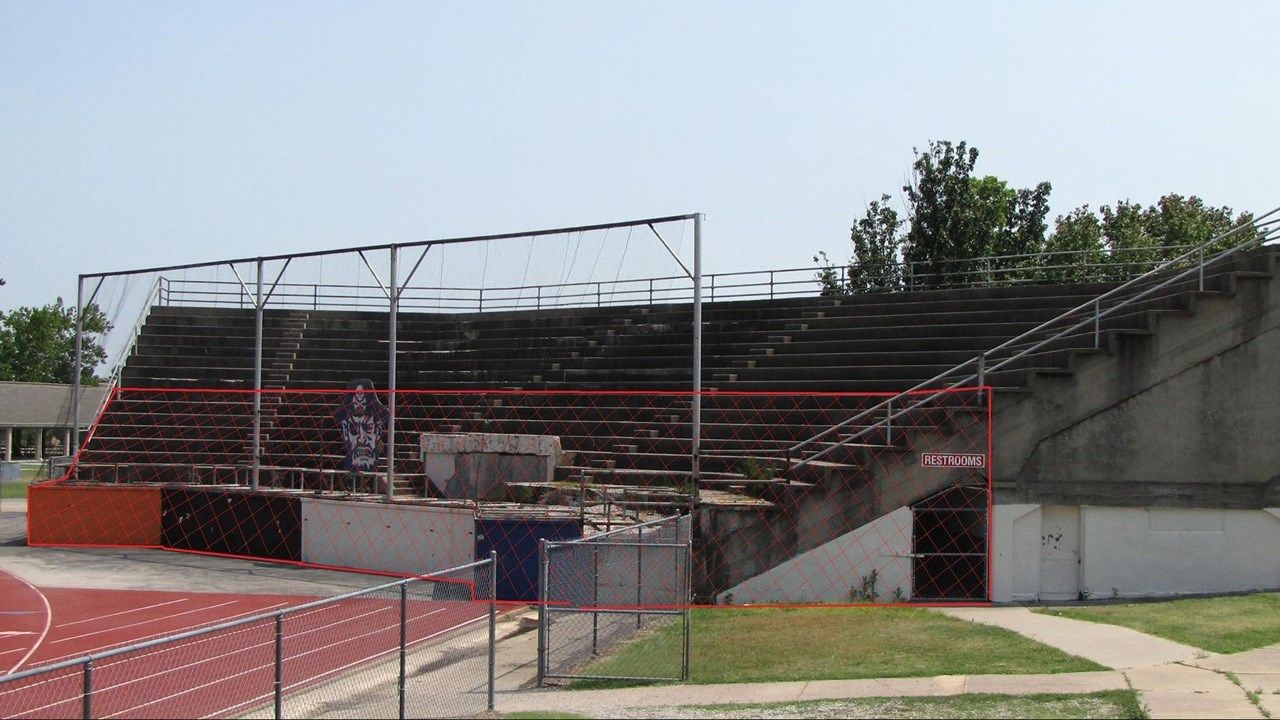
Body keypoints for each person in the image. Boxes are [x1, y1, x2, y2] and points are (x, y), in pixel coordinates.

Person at [333, 378, 389, 492]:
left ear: (377, 431)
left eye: (367, 428)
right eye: (354, 429)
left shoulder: (375, 419)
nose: (361, 438)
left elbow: (384, 413)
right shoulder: (346, 421)